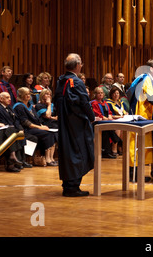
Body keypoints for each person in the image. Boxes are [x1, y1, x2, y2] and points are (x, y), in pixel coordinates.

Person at [54, 53, 95, 197]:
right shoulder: (76, 82)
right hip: (76, 125)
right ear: (78, 65)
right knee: (79, 152)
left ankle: (68, 185)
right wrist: (92, 117)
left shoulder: (60, 81)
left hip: (64, 123)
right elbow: (84, 102)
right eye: (81, 64)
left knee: (67, 152)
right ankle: (72, 187)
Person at [13, 87, 58, 167]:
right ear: (20, 95)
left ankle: (50, 158)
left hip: (34, 128)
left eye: (29, 94)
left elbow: (36, 119)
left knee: (51, 133)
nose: (28, 96)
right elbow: (25, 122)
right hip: (26, 129)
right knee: (47, 134)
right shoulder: (19, 106)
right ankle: (47, 159)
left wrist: (41, 125)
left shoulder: (30, 105)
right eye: (26, 94)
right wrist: (40, 128)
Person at [0, 91, 37, 169]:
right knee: (15, 137)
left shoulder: (10, 108)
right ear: (1, 99)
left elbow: (17, 120)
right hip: (6, 131)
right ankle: (14, 162)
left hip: (15, 129)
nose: (10, 99)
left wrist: (20, 129)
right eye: (7, 97)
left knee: (32, 138)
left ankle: (23, 160)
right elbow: (1, 122)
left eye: (10, 97)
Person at [90, 86, 121, 159]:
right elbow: (97, 113)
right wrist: (106, 118)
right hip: (97, 122)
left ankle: (108, 151)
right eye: (98, 93)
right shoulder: (94, 103)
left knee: (113, 128)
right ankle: (116, 142)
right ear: (95, 94)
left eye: (101, 93)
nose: (100, 94)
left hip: (106, 121)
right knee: (107, 130)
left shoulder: (105, 103)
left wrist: (109, 116)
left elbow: (109, 112)